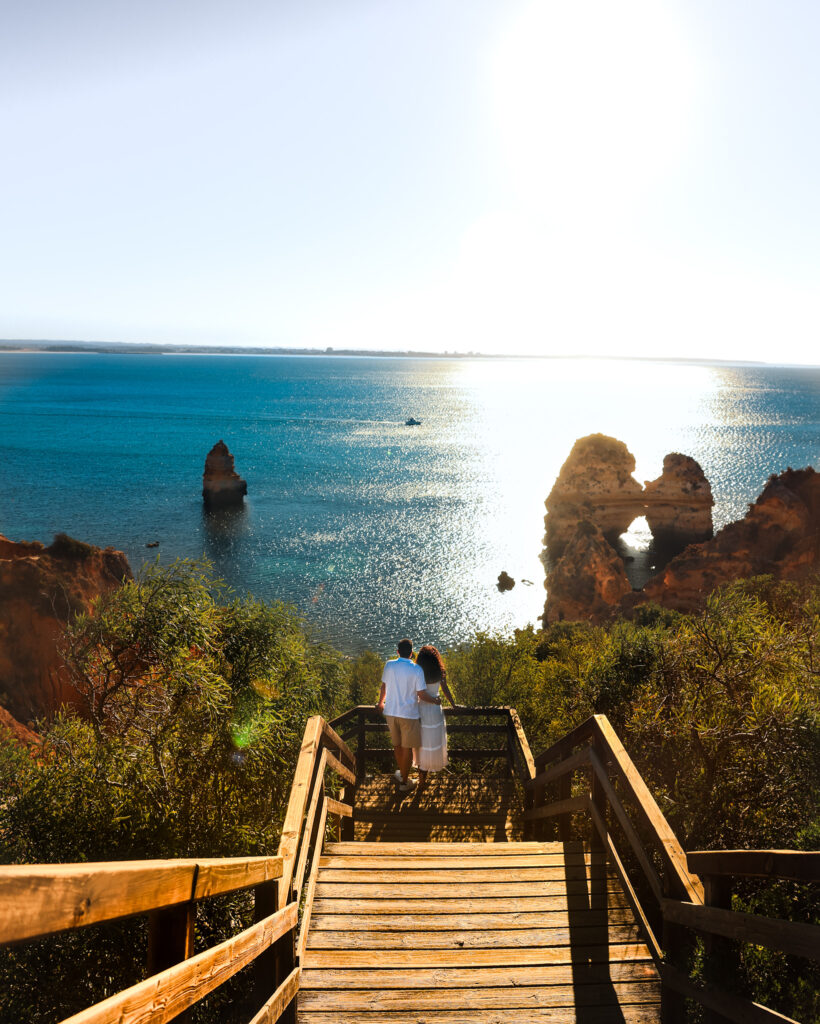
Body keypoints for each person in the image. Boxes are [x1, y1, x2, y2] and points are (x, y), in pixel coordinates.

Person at [376, 638, 441, 793]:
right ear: (412, 653)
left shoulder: (389, 665)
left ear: (397, 652)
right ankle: (405, 782)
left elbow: (384, 686)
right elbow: (421, 694)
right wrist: (435, 701)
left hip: (391, 712)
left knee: (397, 746)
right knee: (407, 749)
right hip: (409, 715)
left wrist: (380, 703)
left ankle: (403, 775)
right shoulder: (416, 669)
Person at [413, 645, 456, 792]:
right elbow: (445, 689)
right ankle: (425, 777)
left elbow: (420, 694)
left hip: (422, 711)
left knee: (422, 744)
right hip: (435, 711)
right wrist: (453, 704)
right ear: (436, 658)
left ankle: (421, 780)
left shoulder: (418, 672)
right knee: (433, 742)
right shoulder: (439, 672)